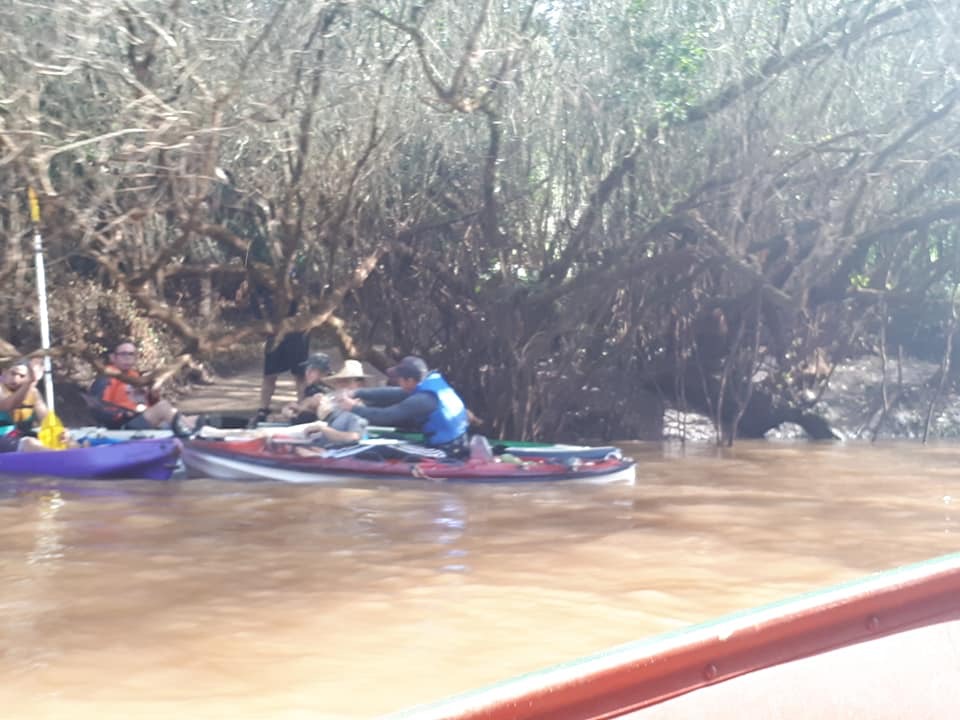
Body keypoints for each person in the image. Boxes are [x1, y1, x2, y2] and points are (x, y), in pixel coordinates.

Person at [209, 359, 369, 448]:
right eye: (340, 382)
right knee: (262, 431)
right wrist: (292, 409)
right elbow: (311, 407)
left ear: (359, 384)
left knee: (264, 433)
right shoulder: (334, 401)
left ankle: (214, 437)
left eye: (347, 382)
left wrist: (322, 429)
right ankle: (212, 435)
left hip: (318, 442)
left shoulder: (359, 409)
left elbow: (353, 437)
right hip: (311, 437)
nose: (341, 386)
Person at [338, 355, 469, 456]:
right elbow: (392, 393)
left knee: (377, 446)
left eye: (399, 379)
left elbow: (385, 416)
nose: (398, 382)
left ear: (410, 380)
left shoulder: (423, 400)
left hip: (445, 451)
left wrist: (353, 408)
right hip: (455, 442)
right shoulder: (427, 383)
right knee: (384, 437)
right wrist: (356, 393)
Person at [87, 340, 196, 436]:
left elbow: (151, 404)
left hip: (141, 419)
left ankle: (196, 432)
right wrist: (125, 414)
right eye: (123, 354)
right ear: (113, 357)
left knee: (189, 418)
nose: (128, 357)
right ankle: (188, 433)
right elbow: (97, 409)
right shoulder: (106, 379)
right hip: (121, 426)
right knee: (163, 408)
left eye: (131, 354)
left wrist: (152, 395)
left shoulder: (136, 376)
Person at [252, 329, 310, 425]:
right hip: (276, 333)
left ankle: (302, 410)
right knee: (269, 374)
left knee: (300, 375)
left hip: (299, 332)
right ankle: (263, 410)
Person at [0, 358, 53, 452]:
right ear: (4, 373)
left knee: (64, 439)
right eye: (13, 374)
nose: (16, 379)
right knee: (29, 443)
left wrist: (58, 432)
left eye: (22, 376)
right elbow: (8, 405)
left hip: (21, 436)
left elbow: (46, 419)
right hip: (4, 438)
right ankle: (60, 458)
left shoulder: (33, 393)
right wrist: (28, 384)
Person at [278, 352, 332, 425]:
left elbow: (314, 410)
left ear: (324, 373)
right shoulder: (312, 387)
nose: (307, 373)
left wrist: (297, 409)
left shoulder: (325, 388)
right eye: (307, 369)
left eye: (313, 370)